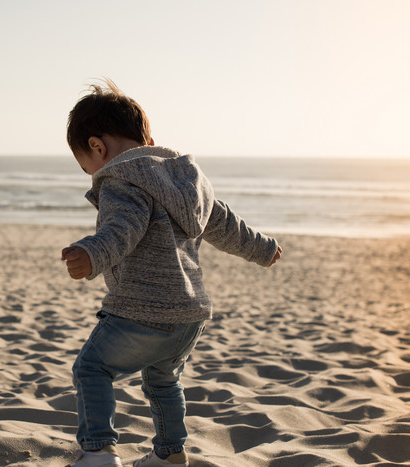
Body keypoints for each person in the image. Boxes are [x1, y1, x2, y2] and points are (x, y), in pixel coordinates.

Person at [61, 80, 282, 467]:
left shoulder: (121, 180)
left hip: (140, 310)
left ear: (98, 147)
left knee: (91, 368)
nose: (91, 174)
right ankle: (169, 455)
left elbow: (121, 229)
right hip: (189, 316)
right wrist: (264, 248)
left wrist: (91, 254)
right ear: (147, 137)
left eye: (86, 167)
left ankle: (97, 451)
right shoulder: (187, 180)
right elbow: (226, 226)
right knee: (163, 379)